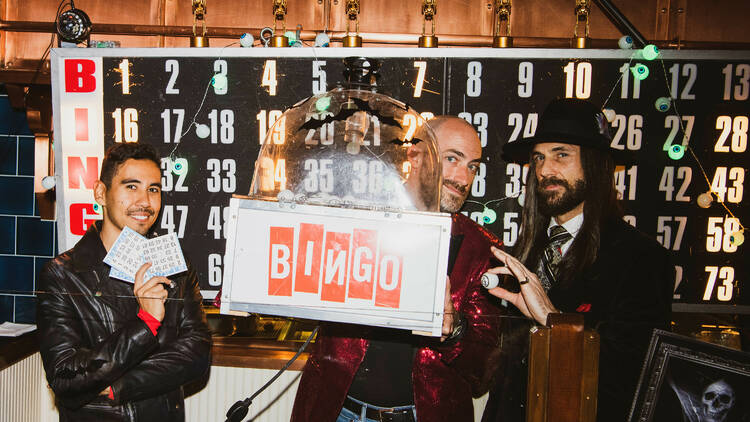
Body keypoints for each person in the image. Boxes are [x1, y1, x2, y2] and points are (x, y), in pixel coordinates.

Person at [291, 116, 504, 422]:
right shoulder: (355, 219)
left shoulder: (482, 250)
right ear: (414, 155)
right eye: (452, 159)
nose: (463, 177)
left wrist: (454, 330)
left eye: (472, 166)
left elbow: (483, 371)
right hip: (337, 410)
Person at [481, 98, 673, 421]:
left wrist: (555, 321)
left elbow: (632, 378)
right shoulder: (522, 252)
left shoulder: (641, 260)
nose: (544, 170)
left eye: (562, 155)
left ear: (595, 164)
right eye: (539, 158)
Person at [37, 143, 211, 421]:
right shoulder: (62, 274)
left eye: (153, 189)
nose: (144, 201)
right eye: (131, 187)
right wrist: (146, 324)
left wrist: (118, 386)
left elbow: (197, 354)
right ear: (101, 193)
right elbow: (66, 377)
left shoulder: (175, 264)